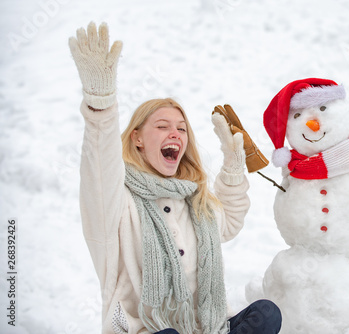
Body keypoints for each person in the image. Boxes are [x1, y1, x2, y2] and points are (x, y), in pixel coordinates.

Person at [69, 21, 281, 334]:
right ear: (138, 138)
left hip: (203, 327)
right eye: (163, 126)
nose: (175, 133)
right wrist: (101, 105)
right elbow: (99, 170)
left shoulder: (192, 201)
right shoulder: (116, 202)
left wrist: (234, 164)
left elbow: (230, 221)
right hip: (147, 329)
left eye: (181, 128)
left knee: (267, 313)